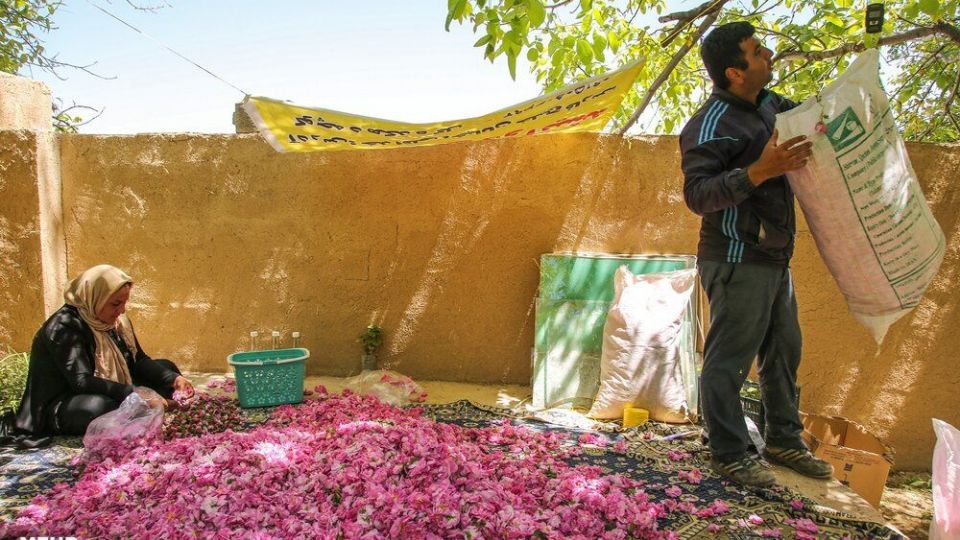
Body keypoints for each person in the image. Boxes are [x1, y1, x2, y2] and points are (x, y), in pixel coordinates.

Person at [679, 22, 832, 487]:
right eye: (756, 51)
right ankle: (729, 453)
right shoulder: (707, 126)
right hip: (734, 256)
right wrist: (759, 171)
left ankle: (784, 439)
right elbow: (698, 195)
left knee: (784, 350)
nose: (769, 53)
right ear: (734, 72)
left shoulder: (770, 104)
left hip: (773, 257)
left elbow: (811, 119)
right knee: (729, 360)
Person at [14, 264, 195, 436]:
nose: (122, 310)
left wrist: (174, 379)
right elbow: (81, 381)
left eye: (124, 303)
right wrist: (135, 393)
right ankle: (138, 409)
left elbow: (138, 360)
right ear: (95, 298)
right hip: (63, 403)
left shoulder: (115, 322)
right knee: (102, 407)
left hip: (106, 386)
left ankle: (152, 405)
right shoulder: (64, 327)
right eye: (115, 304)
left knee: (166, 367)